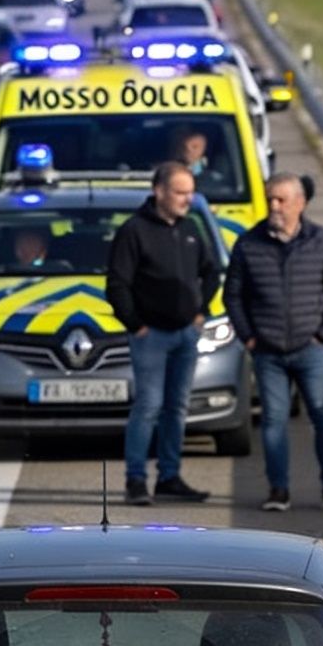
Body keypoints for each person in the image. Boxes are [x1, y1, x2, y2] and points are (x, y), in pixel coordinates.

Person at [222, 173, 323, 512]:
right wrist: (248, 336)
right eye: (270, 200)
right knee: (273, 421)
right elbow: (233, 295)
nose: (273, 206)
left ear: (300, 202)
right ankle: (278, 489)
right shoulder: (249, 243)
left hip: (312, 348)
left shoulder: (321, 240)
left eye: (281, 200)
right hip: (267, 351)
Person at [105, 161, 221, 507]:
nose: (187, 199)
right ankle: (136, 480)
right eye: (180, 192)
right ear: (159, 192)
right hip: (150, 335)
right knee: (149, 406)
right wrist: (135, 324)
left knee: (177, 407)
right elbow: (117, 284)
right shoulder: (135, 231)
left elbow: (211, 271)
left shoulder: (190, 229)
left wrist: (201, 311)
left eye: (190, 192)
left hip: (186, 334)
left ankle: (169, 476)